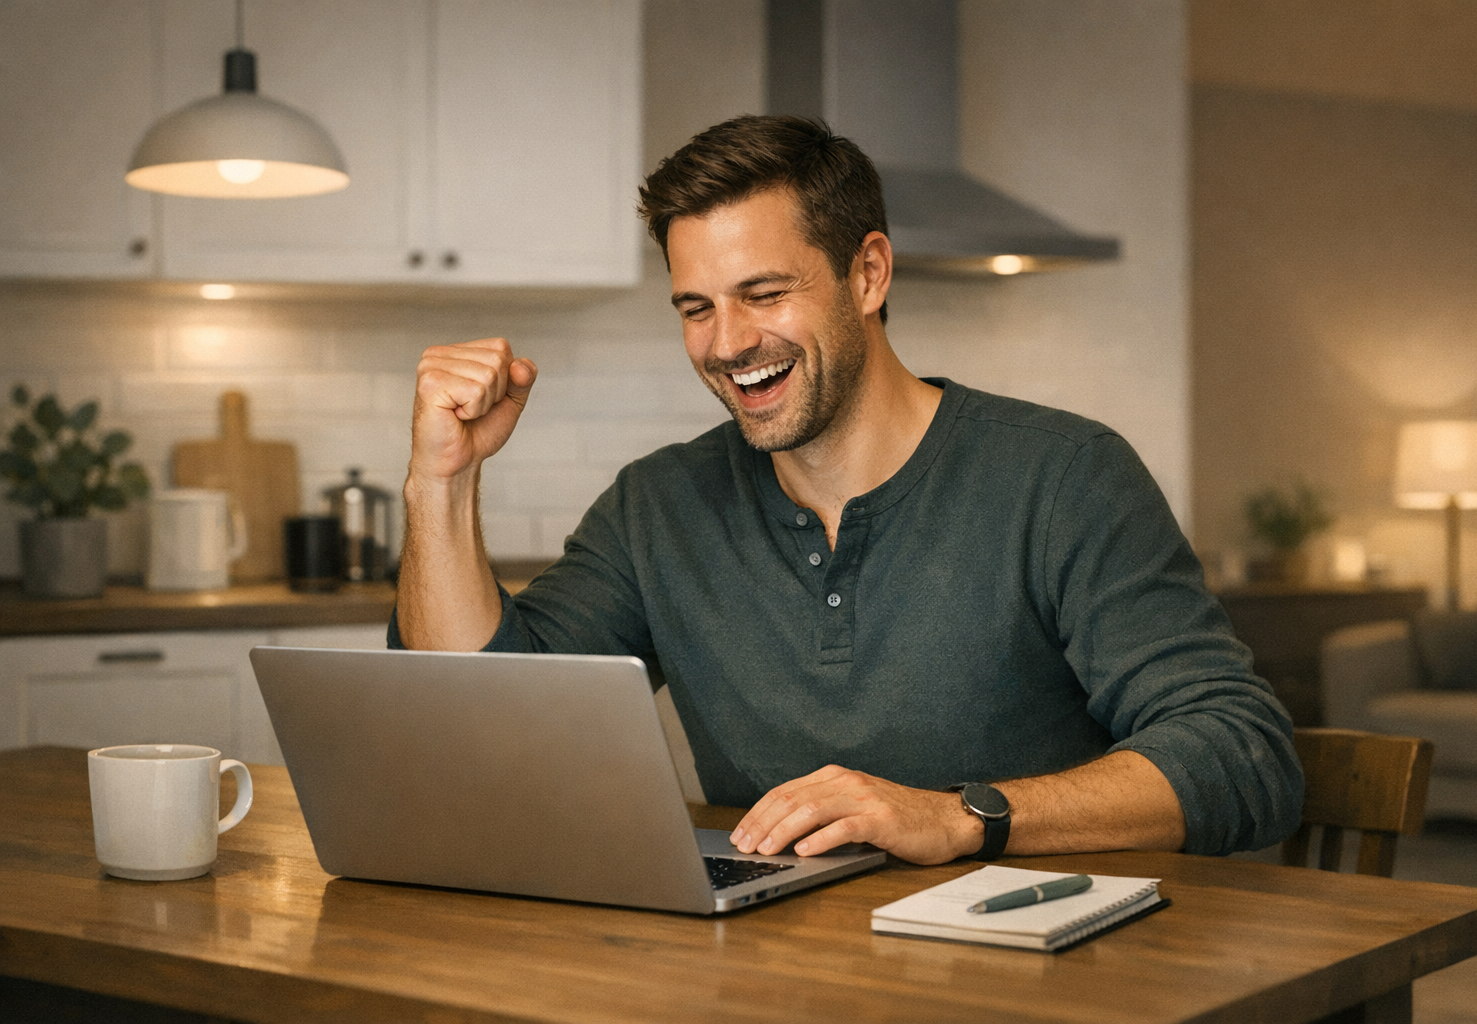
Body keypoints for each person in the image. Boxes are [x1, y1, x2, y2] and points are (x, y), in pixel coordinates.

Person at [392, 115, 1302, 865]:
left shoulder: (1064, 475)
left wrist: (958, 816)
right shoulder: (657, 506)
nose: (727, 343)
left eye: (764, 293)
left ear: (867, 273)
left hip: (1047, 968)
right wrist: (442, 481)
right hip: (774, 969)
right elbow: (482, 724)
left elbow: (1239, 751)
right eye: (696, 307)